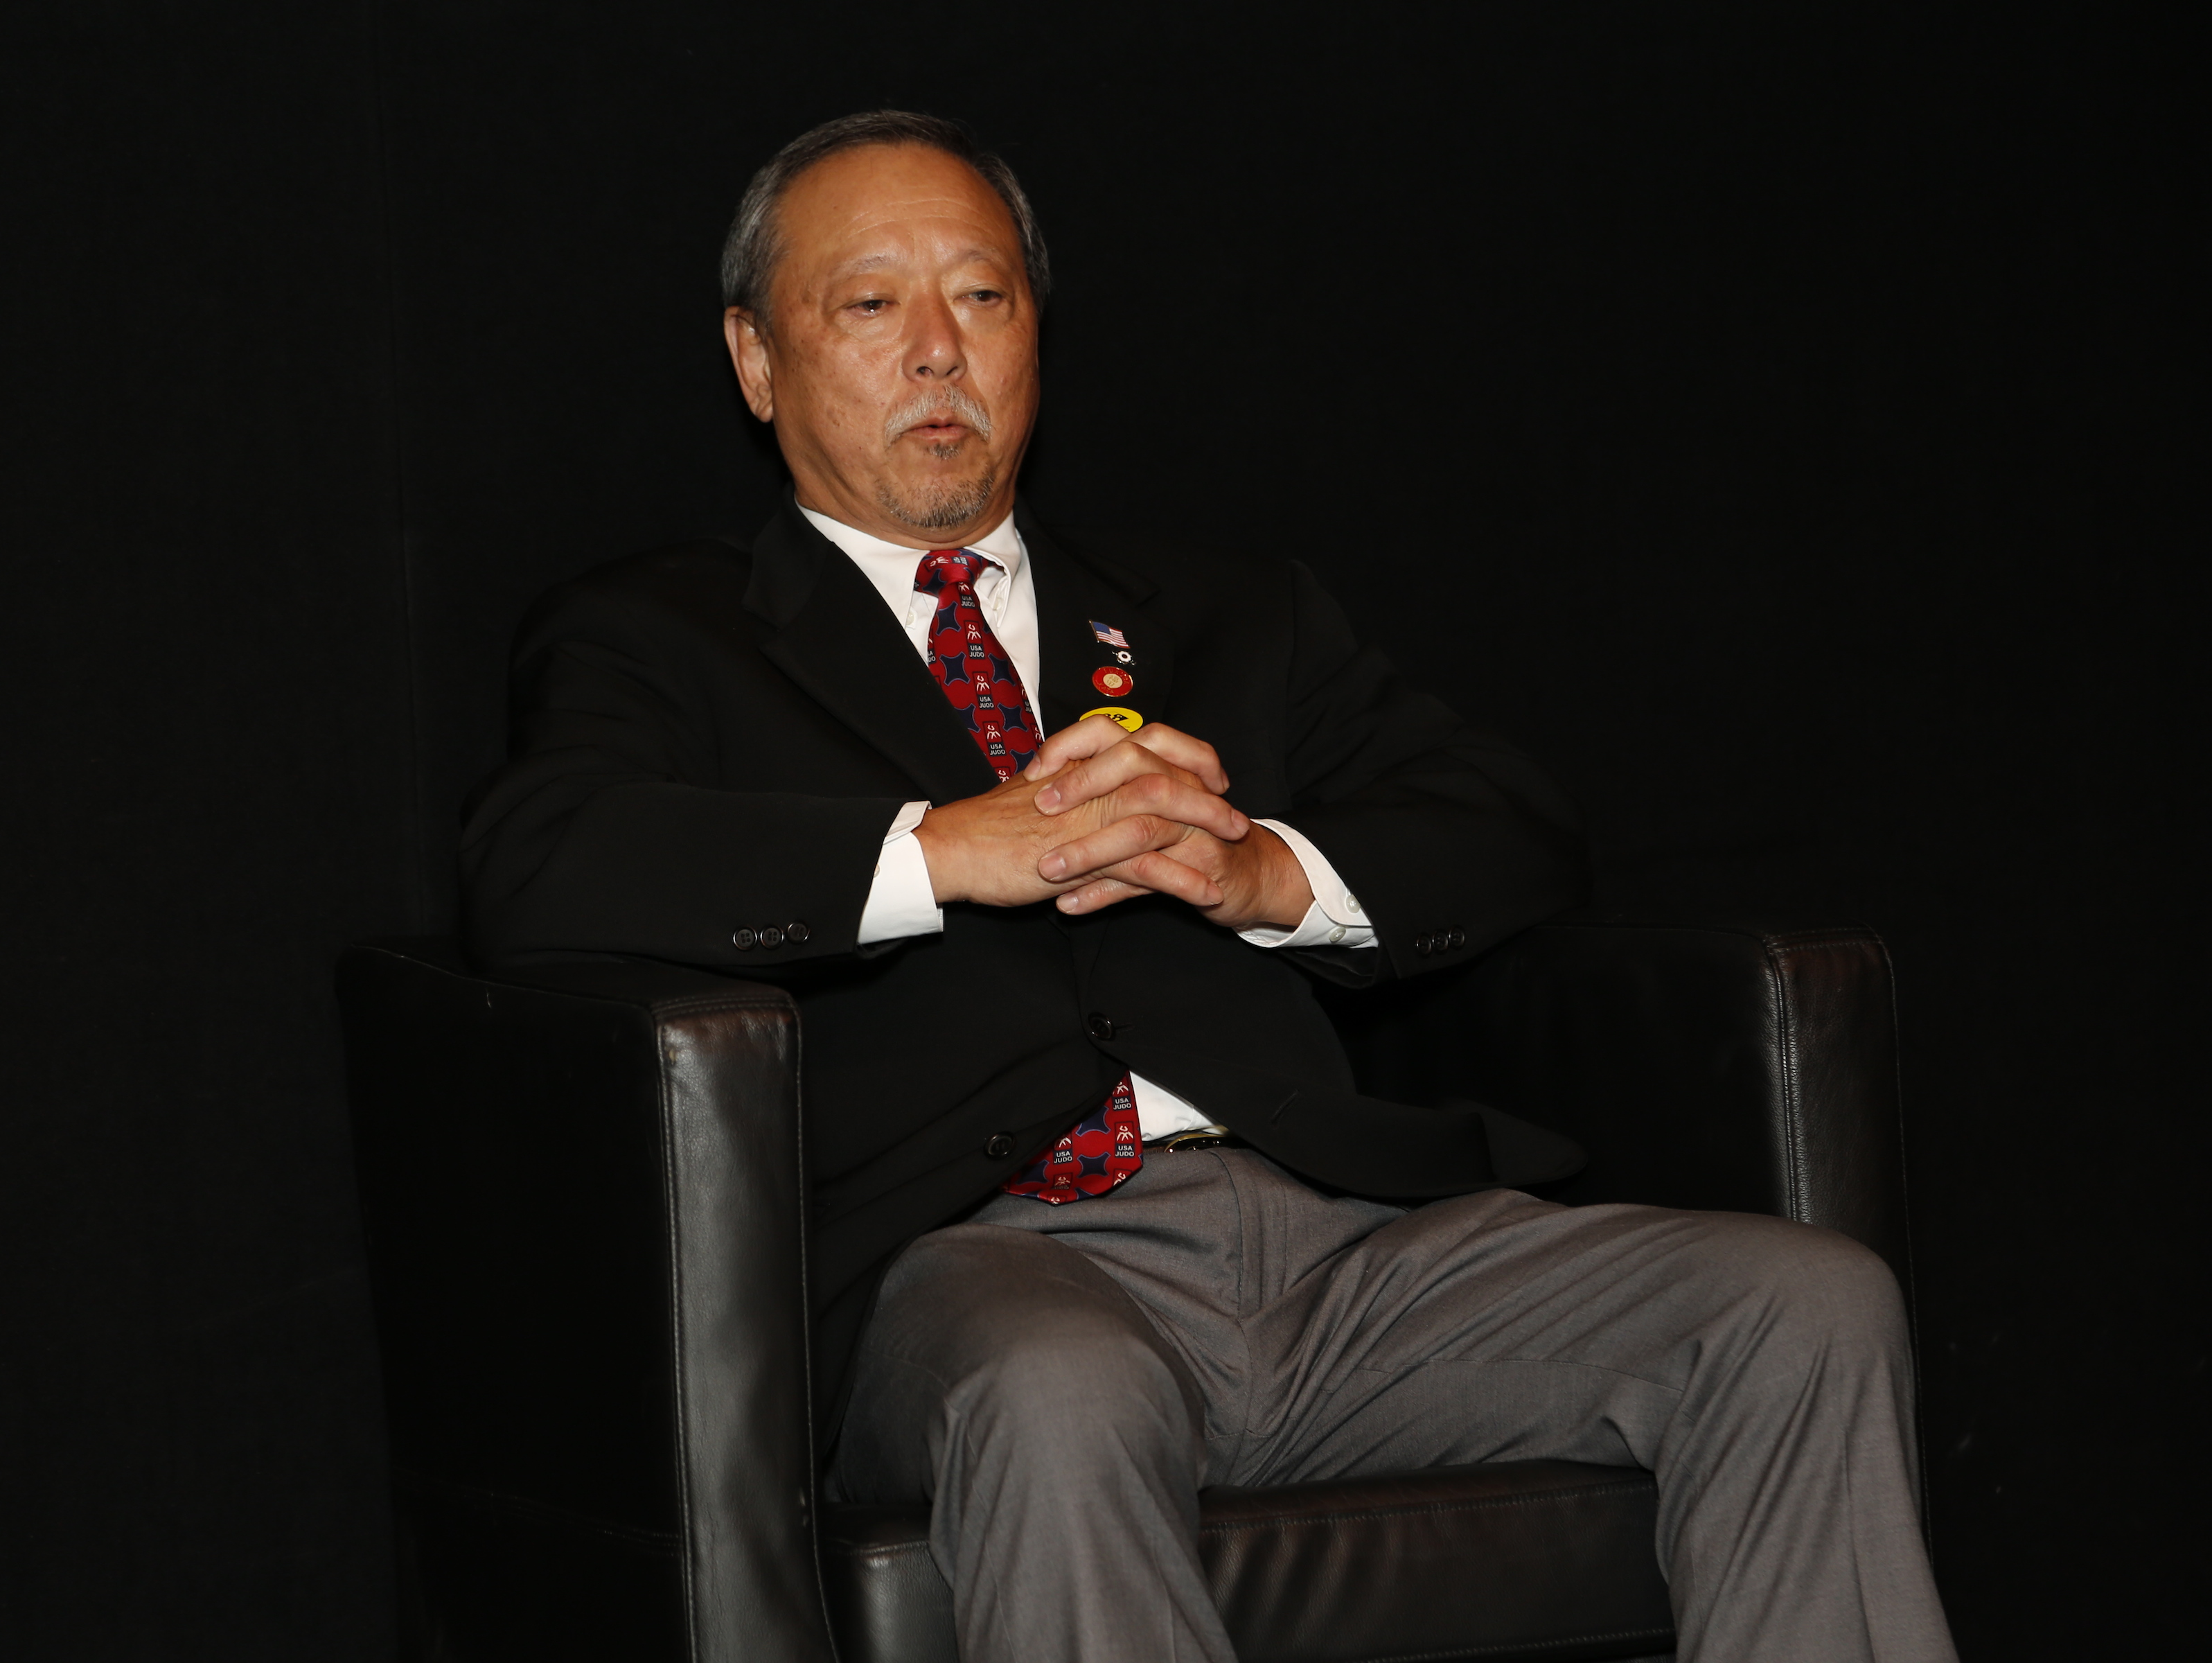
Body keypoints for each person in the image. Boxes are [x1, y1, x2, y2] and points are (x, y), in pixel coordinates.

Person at [460, 109, 1955, 1663]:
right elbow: (542, 857)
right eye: (872, 302)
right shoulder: (662, 635)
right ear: (757, 361)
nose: (938, 350)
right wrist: (948, 848)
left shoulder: (1229, 615)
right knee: (1060, 1389)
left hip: (1339, 1249)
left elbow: (1509, 824)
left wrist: (1263, 872)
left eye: (983, 297)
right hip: (985, 1266)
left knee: (1803, 1304)